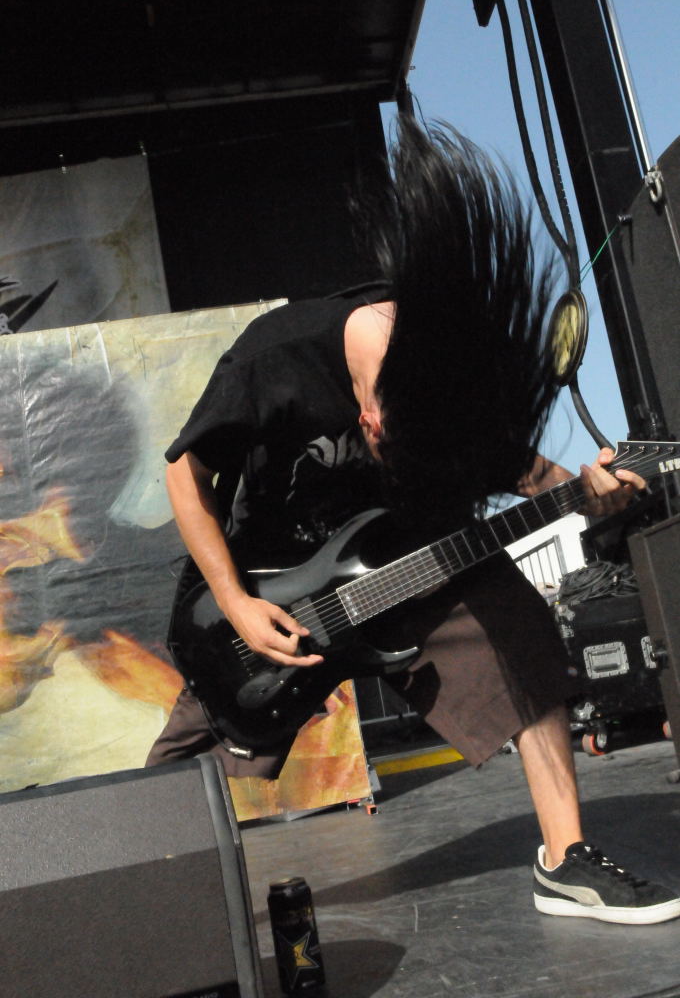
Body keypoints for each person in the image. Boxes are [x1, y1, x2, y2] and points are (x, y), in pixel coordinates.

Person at [147, 117, 680, 926]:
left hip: (407, 564)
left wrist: (586, 490)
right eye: (391, 437)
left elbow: (515, 468)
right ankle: (137, 898)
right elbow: (184, 472)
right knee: (198, 752)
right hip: (276, 591)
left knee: (524, 636)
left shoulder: (441, 370)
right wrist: (235, 602)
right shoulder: (277, 355)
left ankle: (566, 859)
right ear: (369, 410)